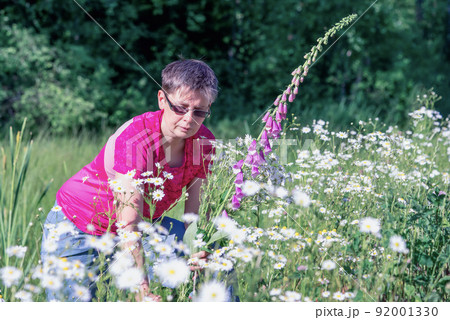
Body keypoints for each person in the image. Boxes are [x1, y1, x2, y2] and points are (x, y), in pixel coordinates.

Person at [40, 59, 217, 301]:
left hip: (142, 227)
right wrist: (142, 290)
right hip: (80, 225)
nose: (189, 119)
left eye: (199, 112)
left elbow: (195, 220)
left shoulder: (204, 142)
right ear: (162, 100)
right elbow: (128, 224)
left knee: (217, 252)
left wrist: (200, 251)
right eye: (180, 108)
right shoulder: (136, 139)